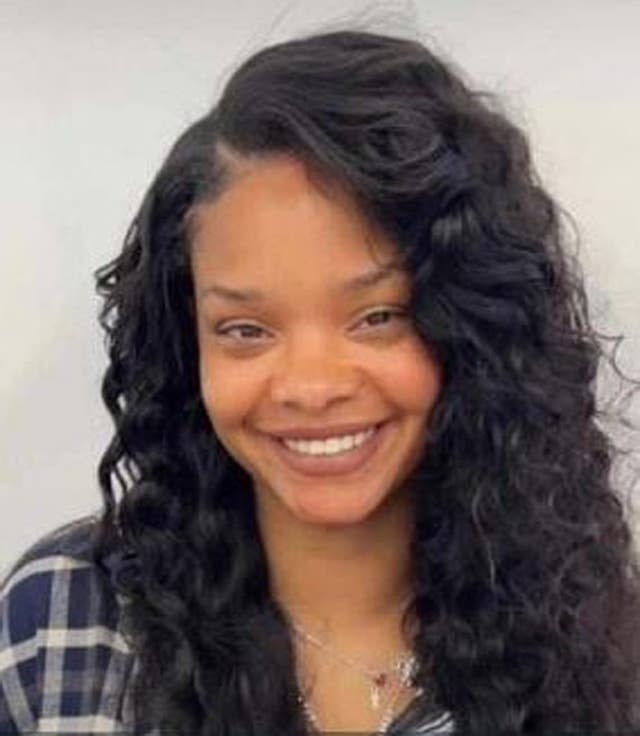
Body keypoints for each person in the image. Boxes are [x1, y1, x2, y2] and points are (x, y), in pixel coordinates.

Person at [1, 28, 640, 736]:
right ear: (188, 346)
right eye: (245, 330)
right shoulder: (64, 618)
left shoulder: (600, 651)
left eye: (377, 317)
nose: (310, 387)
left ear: (474, 329)